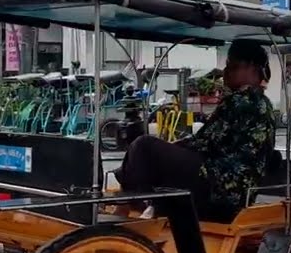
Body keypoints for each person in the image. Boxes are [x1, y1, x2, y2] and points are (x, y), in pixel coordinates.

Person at [116, 38, 276, 222]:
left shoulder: (243, 102)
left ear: (251, 68)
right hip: (231, 190)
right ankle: (146, 204)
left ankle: (125, 208)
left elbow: (203, 143)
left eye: (232, 66)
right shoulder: (262, 103)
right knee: (151, 152)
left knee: (144, 146)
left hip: (218, 188)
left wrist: (169, 148)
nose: (225, 72)